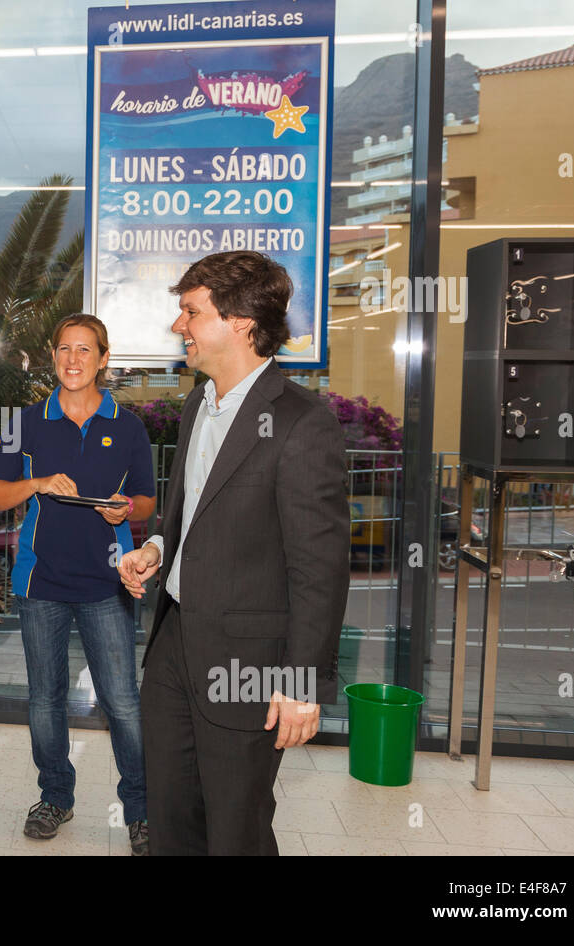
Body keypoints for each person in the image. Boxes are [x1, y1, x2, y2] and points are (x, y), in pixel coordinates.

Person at [116, 251, 350, 856]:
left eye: (190, 312)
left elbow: (318, 570)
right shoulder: (199, 405)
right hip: (173, 646)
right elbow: (197, 512)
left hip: (247, 666)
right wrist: (158, 550)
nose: (178, 327)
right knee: (171, 814)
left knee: (235, 827)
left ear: (241, 321)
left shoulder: (303, 424)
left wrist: (302, 683)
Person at [0, 314, 157, 855]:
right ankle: (55, 795)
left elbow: (146, 499)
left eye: (85, 350)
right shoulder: (29, 422)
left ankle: (142, 811)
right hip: (40, 583)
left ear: (103, 358)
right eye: (63, 349)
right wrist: (35, 483)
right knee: (44, 700)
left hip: (108, 581)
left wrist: (126, 509)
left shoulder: (128, 426)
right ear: (52, 357)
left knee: (123, 702)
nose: (73, 360)